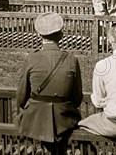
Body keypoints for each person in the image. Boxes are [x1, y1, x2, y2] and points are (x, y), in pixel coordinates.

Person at [16, 13, 82, 154]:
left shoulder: (31, 59)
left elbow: (21, 97)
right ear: (61, 35)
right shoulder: (72, 60)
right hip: (64, 119)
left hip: (37, 119)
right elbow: (77, 98)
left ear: (39, 35)